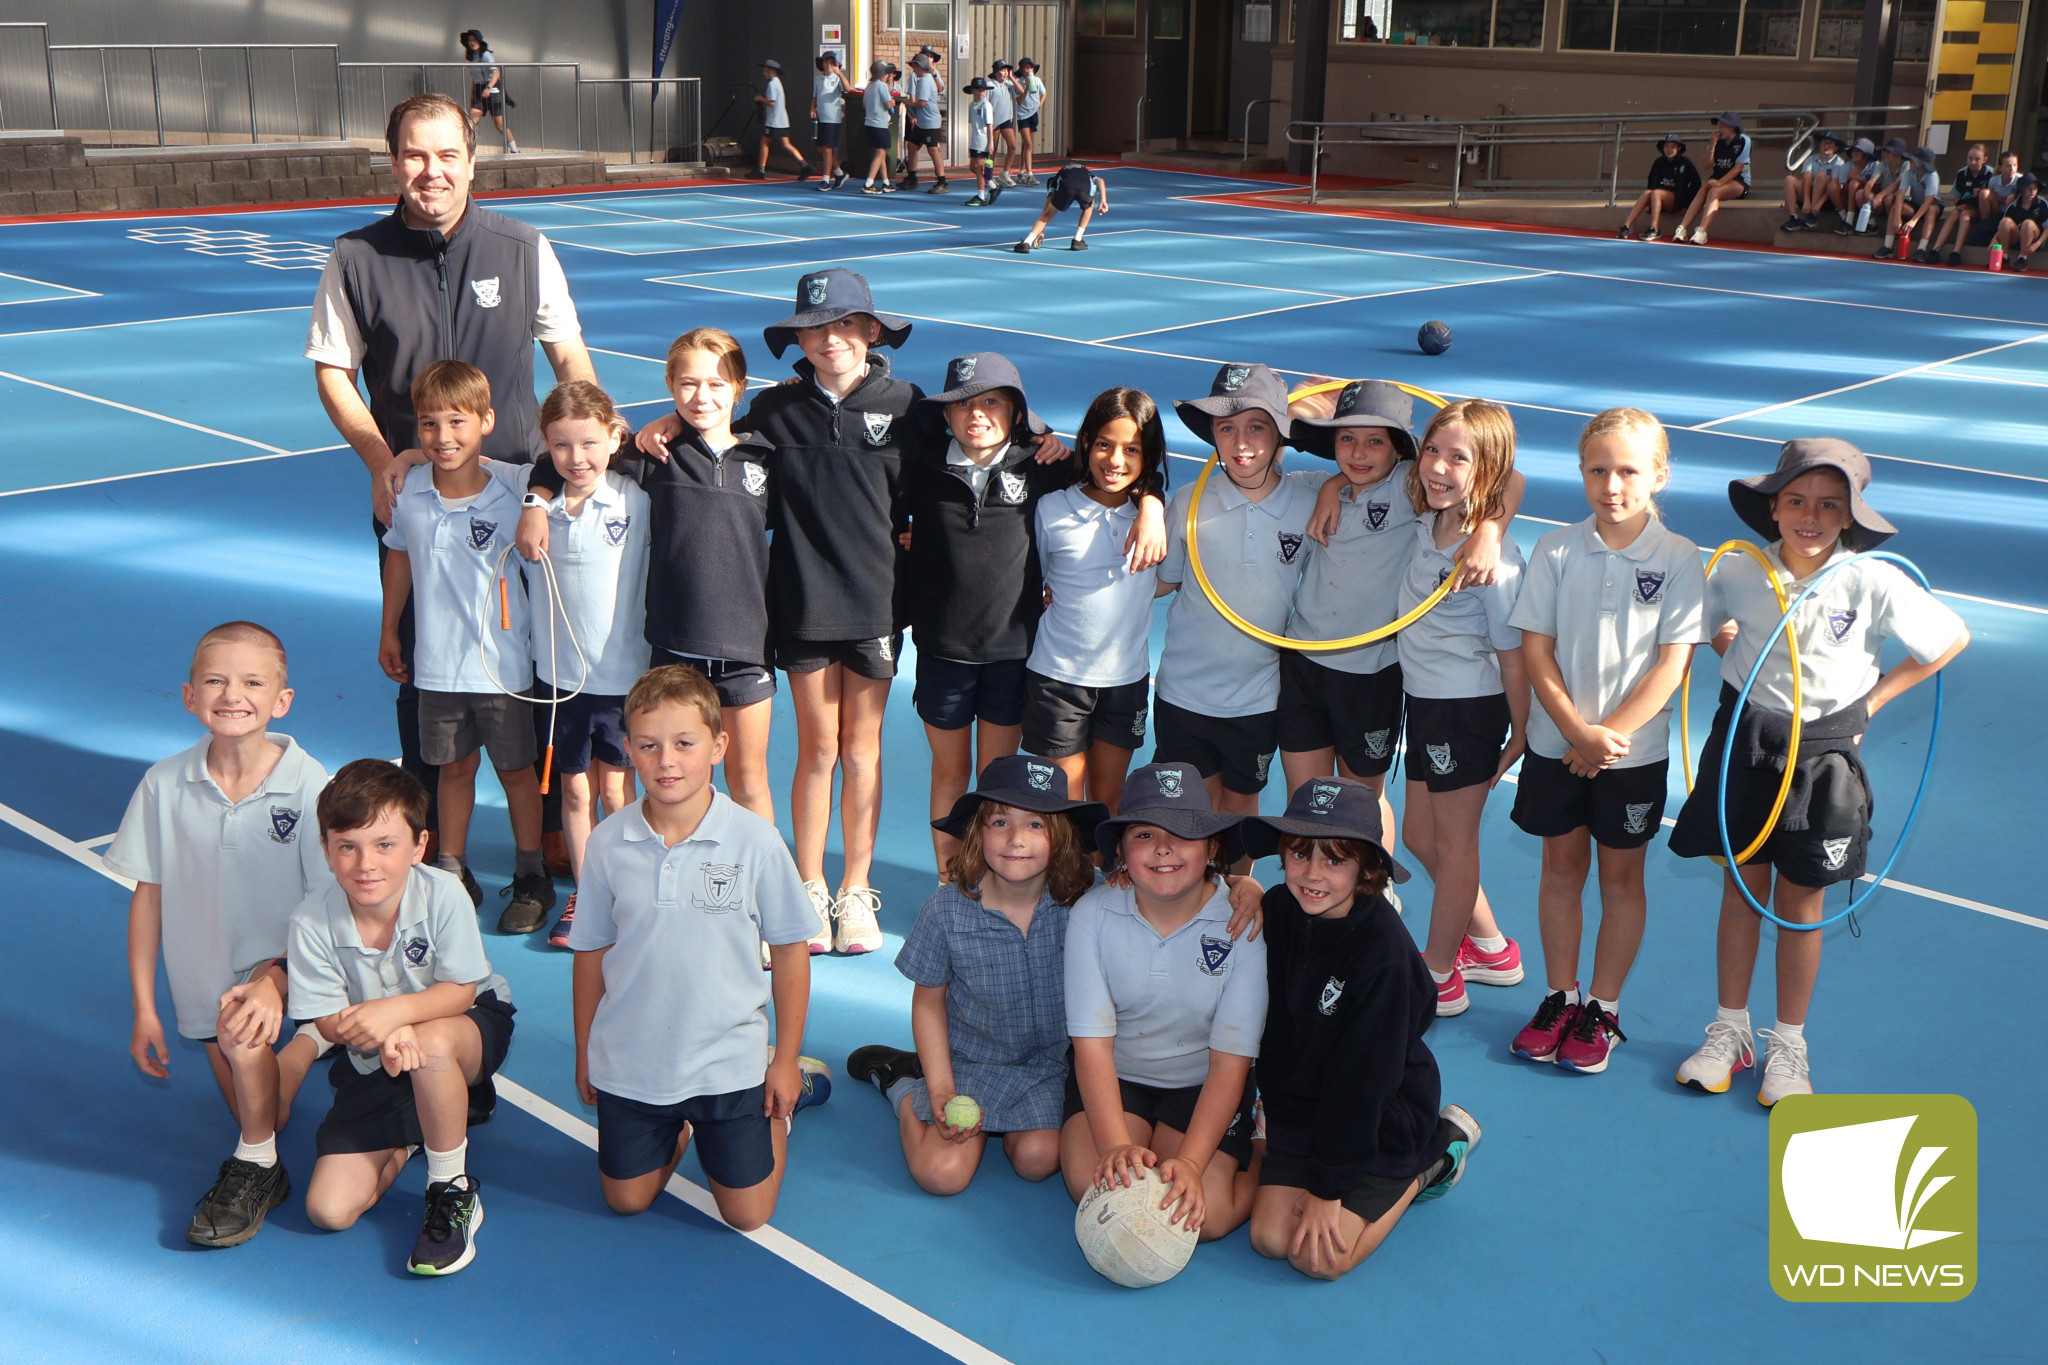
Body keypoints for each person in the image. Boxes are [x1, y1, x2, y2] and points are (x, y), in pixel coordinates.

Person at [310, 92, 592, 852]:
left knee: (540, 656)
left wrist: (585, 455)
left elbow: (569, 361)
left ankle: (554, 831)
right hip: (419, 501)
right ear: (393, 160)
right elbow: (335, 372)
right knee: (421, 660)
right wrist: (380, 460)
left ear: (473, 160)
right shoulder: (357, 256)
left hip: (521, 500)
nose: (429, 171)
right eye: (413, 155)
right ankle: (425, 826)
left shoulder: (523, 246)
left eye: (445, 155)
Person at [1668, 440, 1967, 1104]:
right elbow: (1706, 625)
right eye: (1797, 501)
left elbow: (1949, 638)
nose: (1811, 516)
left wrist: (1873, 702)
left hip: (1824, 756)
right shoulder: (1740, 571)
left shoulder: (1869, 578)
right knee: (1743, 891)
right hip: (1745, 743)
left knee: (1800, 901)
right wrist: (1728, 642)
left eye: (1830, 505)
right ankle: (1729, 1031)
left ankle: (1789, 1045)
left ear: (1849, 517)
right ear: (1773, 507)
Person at [569, 666, 829, 1229]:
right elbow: (590, 952)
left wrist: (783, 1059)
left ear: (718, 746)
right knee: (626, 1201)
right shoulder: (608, 844)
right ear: (629, 750)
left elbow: (789, 950)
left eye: (684, 743)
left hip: (726, 1064)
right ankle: (676, 1126)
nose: (667, 761)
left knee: (748, 1216)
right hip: (633, 1062)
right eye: (649, 745)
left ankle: (778, 1114)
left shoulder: (754, 840)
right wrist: (584, 1048)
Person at [109, 622, 335, 1248]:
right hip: (207, 979)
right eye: (215, 680)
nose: (232, 694)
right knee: (260, 1111)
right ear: (189, 696)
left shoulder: (310, 783)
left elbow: (328, 902)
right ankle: (312, 1046)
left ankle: (257, 1169)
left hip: (293, 968)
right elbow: (148, 895)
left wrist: (277, 979)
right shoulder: (161, 784)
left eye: (252, 682)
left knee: (247, 1052)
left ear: (280, 702)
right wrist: (145, 1008)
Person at [905, 353, 1163, 879]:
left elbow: (1119, 475)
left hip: (1011, 653)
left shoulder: (1039, 468)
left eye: (991, 402)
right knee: (951, 772)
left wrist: (1153, 500)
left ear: (1017, 413)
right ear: (945, 415)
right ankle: (952, 879)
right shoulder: (924, 462)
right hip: (943, 649)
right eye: (962, 405)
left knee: (996, 779)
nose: (975, 414)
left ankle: (999, 875)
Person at [521, 329, 779, 853]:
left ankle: (761, 891)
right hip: (672, 651)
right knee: (671, 781)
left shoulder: (768, 460)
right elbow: (573, 453)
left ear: (740, 387)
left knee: (748, 779)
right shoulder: (655, 459)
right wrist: (533, 499)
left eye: (715, 383)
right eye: (687, 384)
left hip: (746, 652)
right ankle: (670, 877)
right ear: (669, 385)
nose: (701, 396)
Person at [1506, 410, 1707, 1073]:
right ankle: (1560, 996)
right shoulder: (1556, 549)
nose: (1611, 484)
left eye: (1627, 470)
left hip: (1631, 758)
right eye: (1597, 469)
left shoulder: (1678, 559)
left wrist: (1606, 740)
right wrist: (1573, 731)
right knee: (1560, 870)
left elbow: (1672, 666)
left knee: (1621, 880)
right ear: (1582, 471)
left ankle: (1604, 1008)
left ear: (1659, 475)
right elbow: (1537, 650)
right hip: (1555, 745)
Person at [1241, 778, 1482, 1279]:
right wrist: (1238, 884)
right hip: (1304, 1108)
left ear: (1369, 868)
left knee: (1318, 1260)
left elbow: (1363, 1085)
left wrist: (1328, 1190)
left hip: (1379, 1117)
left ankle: (1431, 1158)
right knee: (1267, 1239)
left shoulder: (1383, 957)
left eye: (1334, 860)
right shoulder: (1281, 909)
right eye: (1299, 853)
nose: (1312, 874)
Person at [291, 759, 516, 1277]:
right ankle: (419, 1124)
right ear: (326, 849)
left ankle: (451, 1189)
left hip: (466, 1023)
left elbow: (461, 990)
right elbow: (325, 1020)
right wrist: (372, 1034)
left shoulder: (442, 893)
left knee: (432, 1046)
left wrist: (397, 1018)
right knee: (328, 1211)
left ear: (419, 846)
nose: (365, 863)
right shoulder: (309, 919)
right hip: (376, 1056)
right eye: (347, 845)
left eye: (385, 845)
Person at [846, 757, 1108, 1194]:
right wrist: (942, 1089)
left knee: (1038, 1160)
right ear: (977, 832)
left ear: (1060, 836)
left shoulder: (1089, 896)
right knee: (941, 1175)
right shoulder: (947, 910)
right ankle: (905, 1086)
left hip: (1047, 1066)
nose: (1016, 840)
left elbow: (1164, 894)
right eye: (1000, 822)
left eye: (1036, 826)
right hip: (971, 1061)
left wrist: (1244, 888)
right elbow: (928, 1002)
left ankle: (999, 1126)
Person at [1282, 380, 1519, 860]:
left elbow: (1509, 477)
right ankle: (1310, 889)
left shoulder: (1414, 485)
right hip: (1305, 662)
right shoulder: (1315, 489)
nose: (1359, 452)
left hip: (1373, 672)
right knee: (1305, 802)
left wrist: (1492, 528)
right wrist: (1332, 483)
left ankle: (1375, 891)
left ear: (1399, 448)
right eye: (1346, 439)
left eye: (1376, 441)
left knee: (1362, 802)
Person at [378, 360, 553, 933]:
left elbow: (567, 459)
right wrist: (389, 627)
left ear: (487, 421)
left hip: (504, 668)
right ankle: (452, 871)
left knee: (516, 772)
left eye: (457, 422)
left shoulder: (516, 485)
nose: (443, 437)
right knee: (453, 770)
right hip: (437, 669)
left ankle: (532, 876)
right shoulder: (409, 493)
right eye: (428, 425)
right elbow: (399, 557)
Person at [1061, 763, 1266, 1244]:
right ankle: (1130, 1139)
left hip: (1201, 1084)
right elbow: (1091, 1048)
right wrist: (1114, 1146)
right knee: (1092, 1187)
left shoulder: (1242, 927)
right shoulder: (1093, 914)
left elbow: (1230, 1064)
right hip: (1118, 1075)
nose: (1164, 848)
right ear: (1121, 852)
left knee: (1204, 1217)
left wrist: (1193, 1164)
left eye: (1185, 835)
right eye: (1145, 835)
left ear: (1213, 848)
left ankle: (1261, 1147)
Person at [1394, 399, 1528, 1018]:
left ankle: (1441, 975)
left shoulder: (1492, 564)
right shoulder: (1434, 523)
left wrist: (1522, 729)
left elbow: (1512, 653)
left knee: (1455, 846)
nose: (1438, 467)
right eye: (1432, 450)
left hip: (1466, 711)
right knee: (1420, 835)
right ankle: (1493, 949)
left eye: (1459, 458)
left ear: (1488, 468)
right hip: (1425, 704)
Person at [1152, 364, 1326, 827]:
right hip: (1183, 692)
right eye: (1227, 428)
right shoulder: (1188, 501)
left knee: (1239, 811)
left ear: (1280, 436)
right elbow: (1162, 581)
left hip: (1256, 699)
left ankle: (1235, 897)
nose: (1241, 442)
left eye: (1258, 427)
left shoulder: (1311, 501)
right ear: (1212, 433)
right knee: (1190, 812)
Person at [513, 382, 650, 948]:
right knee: (574, 795)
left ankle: (628, 890)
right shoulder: (537, 503)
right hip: (560, 682)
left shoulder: (635, 499)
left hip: (622, 681)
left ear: (615, 439)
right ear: (547, 446)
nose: (577, 458)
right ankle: (587, 892)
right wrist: (533, 501)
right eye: (562, 447)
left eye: (590, 443)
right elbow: (532, 479)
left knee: (617, 794)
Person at [1022, 387, 1170, 812]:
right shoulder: (1050, 509)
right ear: (1085, 442)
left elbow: (1165, 579)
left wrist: (1153, 505)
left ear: (1149, 455)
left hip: (1125, 682)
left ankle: (1102, 876)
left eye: (1132, 449)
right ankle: (1067, 881)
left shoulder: (1159, 517)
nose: (1116, 461)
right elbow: (1032, 573)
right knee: (1062, 805)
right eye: (1104, 444)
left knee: (1107, 800)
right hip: (1057, 678)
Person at [1674, 111, 1750, 246]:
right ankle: (1682, 228)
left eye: (1722, 127)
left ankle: (1702, 231)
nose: (1719, 130)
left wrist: (1720, 183)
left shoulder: (1744, 140)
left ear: (1732, 127)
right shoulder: (1716, 141)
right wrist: (1712, 146)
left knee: (1714, 191)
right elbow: (1706, 165)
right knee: (1705, 188)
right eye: (1718, 126)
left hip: (1738, 181)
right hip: (1716, 179)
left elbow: (1738, 168)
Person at [1014, 161, 1109, 252]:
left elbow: (1049, 201)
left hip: (1066, 187)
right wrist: (1103, 200)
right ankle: (1077, 240)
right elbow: (1100, 180)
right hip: (1084, 189)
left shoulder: (1058, 175)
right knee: (1089, 205)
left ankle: (1027, 242)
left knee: (1048, 214)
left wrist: (1041, 229)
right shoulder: (1086, 172)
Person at [1620, 135, 1700, 240]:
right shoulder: (1659, 162)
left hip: (1676, 200)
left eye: (1673, 146)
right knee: (1647, 192)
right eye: (1666, 146)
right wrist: (1648, 204)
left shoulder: (1685, 163)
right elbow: (1651, 181)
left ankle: (1655, 229)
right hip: (1657, 198)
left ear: (1679, 148)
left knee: (1656, 193)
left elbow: (1696, 183)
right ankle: (1626, 226)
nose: (1669, 150)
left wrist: (1687, 205)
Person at [1928, 142, 1994, 264]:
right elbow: (1957, 197)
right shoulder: (1962, 173)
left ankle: (1956, 252)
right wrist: (1960, 205)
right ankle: (1935, 249)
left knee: (1964, 216)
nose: (1973, 162)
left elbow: (1992, 198)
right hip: (1964, 207)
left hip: (1982, 210)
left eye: (1977, 159)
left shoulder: (1991, 174)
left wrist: (1974, 200)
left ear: (1985, 159)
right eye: (1970, 158)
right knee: (1954, 213)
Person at [750, 58, 812, 180]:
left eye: (766, 70)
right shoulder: (777, 82)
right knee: (785, 144)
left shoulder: (772, 84)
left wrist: (759, 99)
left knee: (764, 142)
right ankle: (805, 165)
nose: (764, 73)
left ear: (772, 71)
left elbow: (771, 102)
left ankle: (760, 170)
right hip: (782, 120)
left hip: (774, 121)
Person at [459, 30, 517, 153]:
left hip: (492, 92)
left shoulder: (485, 55)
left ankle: (514, 150)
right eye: (470, 40)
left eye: (475, 40)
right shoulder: (473, 58)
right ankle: (468, 150)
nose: (472, 43)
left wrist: (488, 88)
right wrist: (472, 94)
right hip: (479, 91)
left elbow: (496, 72)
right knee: (471, 122)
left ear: (480, 41)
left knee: (500, 125)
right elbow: (474, 80)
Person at [1779, 130, 1845, 232]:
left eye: (1830, 144)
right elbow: (1807, 179)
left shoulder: (1839, 163)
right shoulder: (1811, 159)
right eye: (1824, 142)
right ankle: (1793, 218)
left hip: (1826, 200)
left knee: (1821, 176)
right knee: (1789, 179)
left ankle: (1812, 216)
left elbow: (1833, 187)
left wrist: (1818, 204)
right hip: (1810, 195)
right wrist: (1806, 200)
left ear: (1836, 148)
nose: (1826, 146)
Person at [1887, 145, 1945, 261]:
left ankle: (1921, 249)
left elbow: (1929, 201)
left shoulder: (1932, 176)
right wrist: (1897, 218)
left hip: (1932, 205)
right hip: (1916, 203)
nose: (1910, 162)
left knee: (1931, 210)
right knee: (1895, 207)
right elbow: (1900, 195)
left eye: (1913, 160)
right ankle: (1887, 246)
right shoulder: (1909, 173)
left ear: (1921, 164)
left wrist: (1913, 221)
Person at [904, 53, 947, 193]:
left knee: (933, 149)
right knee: (911, 145)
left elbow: (922, 102)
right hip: (923, 121)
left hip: (930, 121)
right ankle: (912, 177)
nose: (913, 68)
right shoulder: (922, 78)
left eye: (915, 65)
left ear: (920, 66)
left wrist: (907, 102)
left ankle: (942, 182)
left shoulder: (925, 81)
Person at [860, 60, 904, 193]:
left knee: (881, 153)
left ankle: (886, 182)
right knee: (880, 153)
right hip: (879, 124)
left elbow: (864, 105)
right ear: (880, 74)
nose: (887, 75)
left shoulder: (869, 86)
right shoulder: (882, 86)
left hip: (870, 124)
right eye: (885, 72)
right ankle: (869, 183)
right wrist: (893, 101)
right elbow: (888, 104)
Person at [811, 52, 850, 189]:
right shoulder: (818, 79)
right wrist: (813, 109)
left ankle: (826, 180)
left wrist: (840, 73)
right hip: (821, 118)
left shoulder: (837, 79)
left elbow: (848, 89)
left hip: (833, 118)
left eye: (831, 62)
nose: (828, 65)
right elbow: (815, 96)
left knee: (828, 148)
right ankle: (839, 173)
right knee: (821, 149)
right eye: (825, 62)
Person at [1992, 174, 2046, 270]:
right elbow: (2001, 227)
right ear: (2022, 190)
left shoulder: (2042, 204)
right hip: (2017, 237)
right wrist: (1994, 239)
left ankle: (2023, 258)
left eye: (2035, 188)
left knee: (2028, 223)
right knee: (2005, 221)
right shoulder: (2013, 206)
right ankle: (2005, 256)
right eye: (2029, 188)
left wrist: (2037, 244)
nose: (2032, 191)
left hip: (2035, 240)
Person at [963, 78, 1002, 207]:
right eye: (978, 89)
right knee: (972, 167)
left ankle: (981, 196)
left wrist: (991, 143)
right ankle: (992, 185)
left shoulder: (986, 105)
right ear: (972, 90)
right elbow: (973, 125)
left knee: (979, 169)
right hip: (975, 140)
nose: (981, 92)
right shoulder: (972, 105)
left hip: (983, 141)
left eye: (983, 90)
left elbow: (989, 125)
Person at [1832, 137, 1881, 236]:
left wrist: (1863, 182)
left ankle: (1853, 222)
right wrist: (1851, 178)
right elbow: (1844, 190)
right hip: (1850, 200)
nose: (1854, 153)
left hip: (1869, 199)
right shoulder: (1846, 167)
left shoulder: (1875, 165)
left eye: (1858, 151)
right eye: (1853, 151)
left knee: (1856, 186)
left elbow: (1877, 187)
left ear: (1866, 154)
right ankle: (1848, 220)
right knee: (1852, 184)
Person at [1013, 58, 1046, 184]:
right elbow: (1019, 101)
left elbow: (1044, 93)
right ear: (1021, 70)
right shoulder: (1018, 82)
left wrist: (1040, 104)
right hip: (1023, 116)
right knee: (1028, 144)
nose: (1028, 70)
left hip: (1034, 113)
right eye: (1026, 68)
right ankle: (1030, 173)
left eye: (1030, 67)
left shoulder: (1037, 80)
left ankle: (1021, 171)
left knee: (1027, 144)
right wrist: (1026, 87)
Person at [987, 59, 1019, 185]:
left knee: (1013, 146)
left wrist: (1012, 78)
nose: (1005, 73)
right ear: (995, 72)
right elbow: (986, 104)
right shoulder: (990, 85)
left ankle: (1005, 173)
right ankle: (988, 176)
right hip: (993, 121)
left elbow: (1021, 91)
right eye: (1002, 70)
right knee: (992, 150)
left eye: (1007, 70)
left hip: (1006, 120)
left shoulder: (1008, 85)